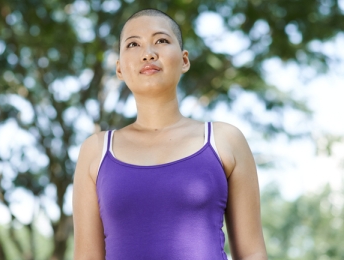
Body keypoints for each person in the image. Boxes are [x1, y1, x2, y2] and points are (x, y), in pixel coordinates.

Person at [72, 8, 267, 260]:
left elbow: (252, 254)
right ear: (119, 69)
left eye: (161, 40)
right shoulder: (96, 150)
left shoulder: (225, 140)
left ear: (184, 60)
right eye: (133, 44)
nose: (148, 53)